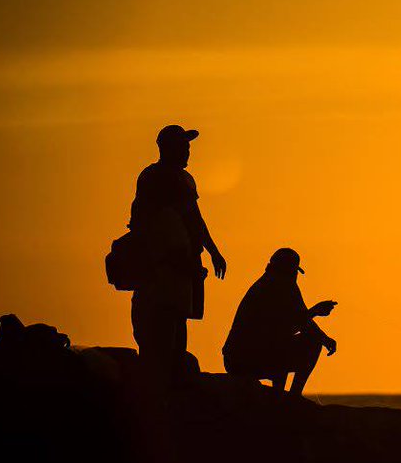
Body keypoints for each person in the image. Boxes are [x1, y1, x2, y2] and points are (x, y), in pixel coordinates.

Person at [127, 124, 226, 380]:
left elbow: (195, 219)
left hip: (181, 261)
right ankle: (164, 374)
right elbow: (155, 220)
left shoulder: (178, 178)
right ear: (167, 148)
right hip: (164, 262)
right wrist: (211, 251)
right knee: (164, 316)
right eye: (183, 146)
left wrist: (212, 252)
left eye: (188, 146)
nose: (187, 151)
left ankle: (172, 371)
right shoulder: (158, 177)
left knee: (177, 315)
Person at [223, 248, 337, 394]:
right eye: (292, 271)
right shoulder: (267, 288)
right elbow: (283, 328)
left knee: (312, 339)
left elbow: (301, 319)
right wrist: (314, 312)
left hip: (261, 352)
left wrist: (324, 339)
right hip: (242, 359)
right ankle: (283, 399)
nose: (294, 275)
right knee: (283, 342)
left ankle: (292, 397)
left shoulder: (288, 287)